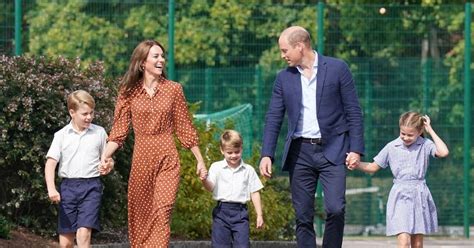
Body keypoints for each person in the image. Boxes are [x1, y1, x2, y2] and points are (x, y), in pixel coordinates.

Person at [259, 26, 364, 248]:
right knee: (303, 216)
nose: (282, 55)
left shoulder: (338, 69)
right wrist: (267, 154)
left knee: (336, 208)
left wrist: (355, 149)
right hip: (300, 153)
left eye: (285, 49)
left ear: (300, 46)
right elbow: (274, 117)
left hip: (333, 150)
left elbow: (353, 111)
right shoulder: (283, 79)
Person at [101, 39, 207, 247]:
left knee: (162, 212)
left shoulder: (173, 89)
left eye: (162, 56)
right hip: (141, 161)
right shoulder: (128, 92)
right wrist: (105, 156)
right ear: (142, 63)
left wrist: (200, 160)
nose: (161, 60)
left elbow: (184, 127)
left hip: (168, 159)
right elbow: (119, 131)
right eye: (156, 56)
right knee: (141, 217)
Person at [348, 111, 449, 248]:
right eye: (403, 133)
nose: (405, 137)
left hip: (419, 195)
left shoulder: (425, 144)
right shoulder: (391, 147)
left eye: (410, 135)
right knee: (403, 241)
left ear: (419, 132)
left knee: (417, 244)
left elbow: (443, 152)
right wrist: (357, 164)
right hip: (400, 195)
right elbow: (372, 167)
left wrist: (429, 130)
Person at [44, 90, 114, 248]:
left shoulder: (99, 132)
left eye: (91, 113)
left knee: (84, 232)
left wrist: (108, 165)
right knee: (66, 242)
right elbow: (50, 164)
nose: (89, 117)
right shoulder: (61, 135)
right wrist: (51, 189)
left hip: (92, 187)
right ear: (72, 112)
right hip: (68, 188)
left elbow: (108, 159)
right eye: (84, 114)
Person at [201, 130, 264, 247]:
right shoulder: (216, 167)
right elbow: (210, 187)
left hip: (240, 213)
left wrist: (259, 214)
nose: (234, 155)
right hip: (221, 212)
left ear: (241, 148)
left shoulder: (248, 170)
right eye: (229, 152)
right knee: (220, 245)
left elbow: (255, 192)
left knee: (243, 245)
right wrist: (204, 180)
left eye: (237, 152)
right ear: (222, 150)